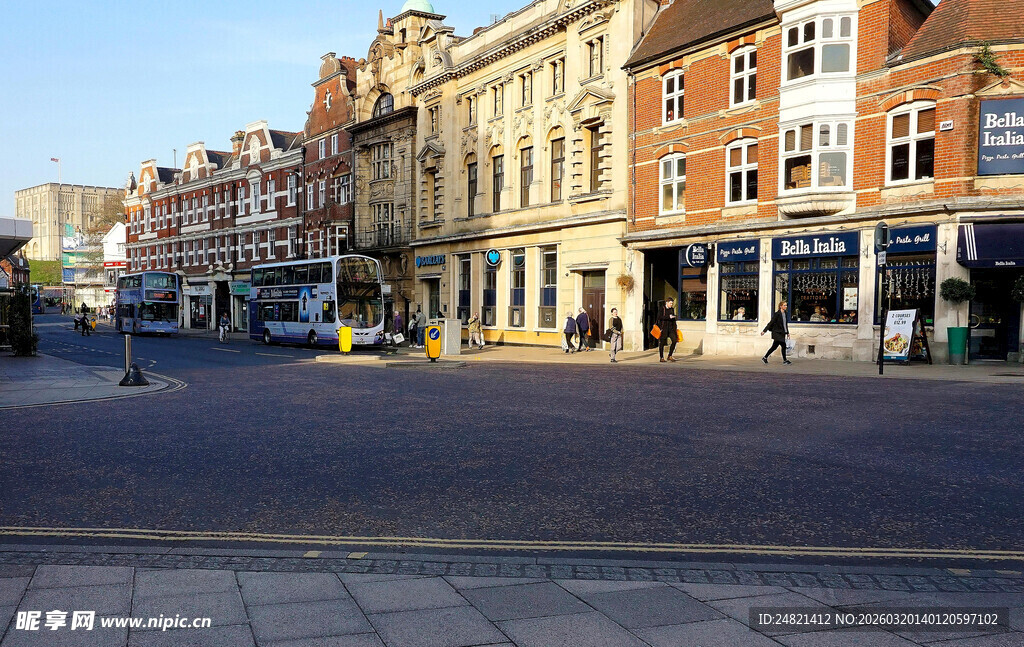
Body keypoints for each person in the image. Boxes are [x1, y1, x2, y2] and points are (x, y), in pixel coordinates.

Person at [657, 298, 678, 363]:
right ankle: (661, 357)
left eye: (672, 303)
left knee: (674, 340)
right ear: (667, 303)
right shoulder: (662, 308)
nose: (671, 304)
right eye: (670, 303)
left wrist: (675, 327)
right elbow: (659, 317)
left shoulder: (672, 309)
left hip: (671, 328)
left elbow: (673, 319)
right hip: (664, 328)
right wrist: (668, 317)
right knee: (662, 343)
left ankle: (670, 355)